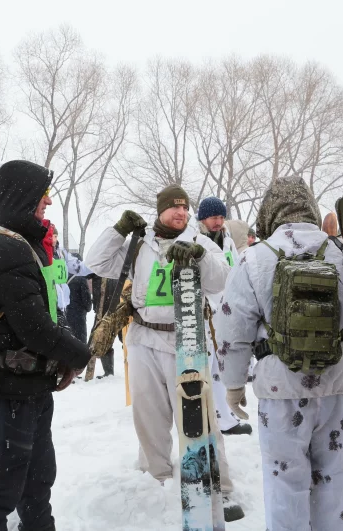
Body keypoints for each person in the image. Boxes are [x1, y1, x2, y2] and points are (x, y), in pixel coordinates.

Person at [216, 177, 343, 530]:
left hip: (281, 388)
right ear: (310, 208)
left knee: (285, 483)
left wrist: (233, 385)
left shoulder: (254, 257)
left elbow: (231, 329)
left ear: (270, 212)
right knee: (338, 482)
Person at [87, 185, 243, 521]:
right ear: (160, 210)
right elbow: (96, 262)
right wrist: (118, 232)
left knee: (200, 418)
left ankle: (220, 487)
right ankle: (156, 478)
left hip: (186, 341)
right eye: (174, 207)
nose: (181, 213)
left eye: (185, 208)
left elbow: (224, 281)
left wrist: (201, 258)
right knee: (149, 416)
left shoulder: (198, 241)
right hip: (144, 338)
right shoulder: (139, 245)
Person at [0, 160, 91, 531]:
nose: (47, 202)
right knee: (3, 489)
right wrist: (79, 354)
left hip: (31, 386)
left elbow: (45, 312)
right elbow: (34, 328)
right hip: (9, 389)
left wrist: (61, 358)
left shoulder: (28, 245)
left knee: (38, 479)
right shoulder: (6, 247)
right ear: (23, 197)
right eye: (42, 194)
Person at [197, 197, 252, 437]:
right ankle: (207, 418)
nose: (218, 222)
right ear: (203, 218)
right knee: (205, 368)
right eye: (213, 217)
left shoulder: (227, 239)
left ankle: (224, 417)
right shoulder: (195, 240)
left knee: (220, 364)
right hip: (204, 311)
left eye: (221, 217)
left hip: (225, 309)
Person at [50, 226, 92, 325]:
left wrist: (96, 265)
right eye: (51, 236)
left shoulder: (61, 253)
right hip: (50, 302)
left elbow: (78, 266)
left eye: (55, 236)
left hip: (63, 304)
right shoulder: (43, 253)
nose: (54, 240)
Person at [90, 275, 120, 377]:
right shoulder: (102, 270)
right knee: (103, 340)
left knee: (103, 339)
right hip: (113, 309)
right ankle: (109, 371)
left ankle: (110, 371)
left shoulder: (104, 270)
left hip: (107, 310)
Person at [66, 253, 92, 344]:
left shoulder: (64, 277)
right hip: (79, 317)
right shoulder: (81, 279)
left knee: (69, 341)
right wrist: (88, 307)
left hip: (66, 314)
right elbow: (87, 301)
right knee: (80, 342)